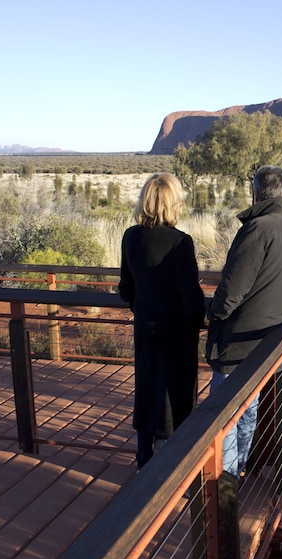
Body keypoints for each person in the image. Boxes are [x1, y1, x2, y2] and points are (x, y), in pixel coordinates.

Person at [206, 165, 282, 477]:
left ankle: (221, 484)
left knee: (222, 417)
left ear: (256, 194)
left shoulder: (256, 230)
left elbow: (232, 290)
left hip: (238, 342)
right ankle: (236, 474)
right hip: (269, 343)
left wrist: (214, 313)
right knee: (247, 409)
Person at [119, 172, 205, 470]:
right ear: (173, 203)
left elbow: (126, 288)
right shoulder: (180, 243)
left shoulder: (131, 236)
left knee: (147, 391)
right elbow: (190, 298)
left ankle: (144, 461)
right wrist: (197, 323)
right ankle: (170, 470)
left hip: (145, 329)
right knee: (175, 398)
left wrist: (143, 310)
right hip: (176, 336)